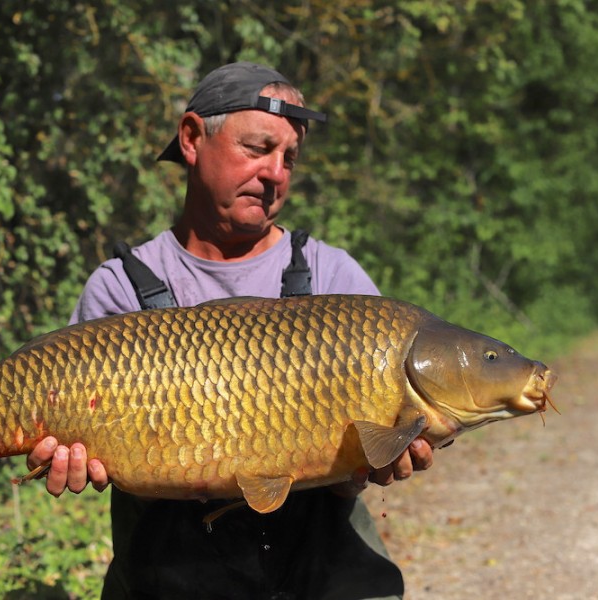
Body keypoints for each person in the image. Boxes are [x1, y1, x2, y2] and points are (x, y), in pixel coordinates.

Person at [27, 62, 434, 599]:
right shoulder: (120, 288)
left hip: (319, 566)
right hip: (172, 569)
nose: (275, 173)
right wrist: (72, 457)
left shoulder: (335, 279)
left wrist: (377, 462)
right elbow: (96, 454)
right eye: (258, 148)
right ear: (192, 138)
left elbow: (367, 455)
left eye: (289, 157)